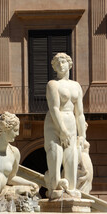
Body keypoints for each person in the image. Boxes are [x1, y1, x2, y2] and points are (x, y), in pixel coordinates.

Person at [43, 52, 86, 199]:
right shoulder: (52, 84)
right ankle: (55, 187)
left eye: (63, 62)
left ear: (70, 64)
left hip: (71, 120)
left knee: (72, 154)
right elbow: (54, 108)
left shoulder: (76, 86)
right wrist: (62, 130)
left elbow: (80, 114)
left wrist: (83, 136)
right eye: (57, 63)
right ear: (54, 67)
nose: (61, 65)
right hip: (55, 121)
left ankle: (72, 189)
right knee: (55, 152)